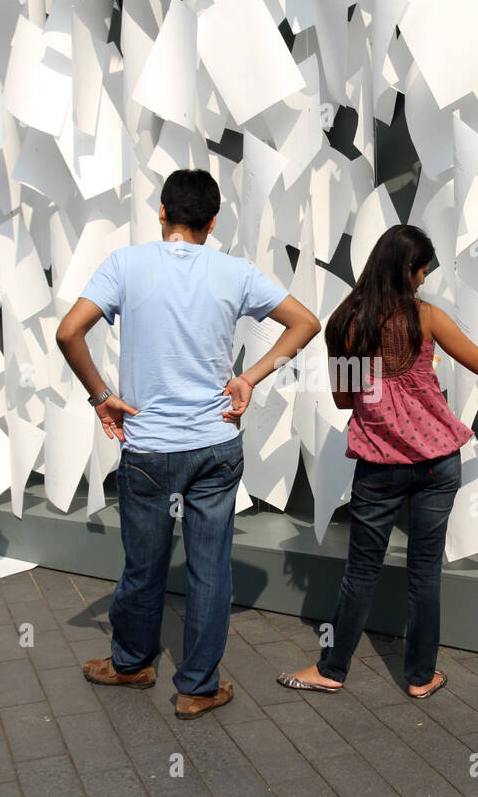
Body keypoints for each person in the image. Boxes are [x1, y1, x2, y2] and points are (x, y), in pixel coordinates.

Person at [56, 169, 321, 720]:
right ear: (213, 222)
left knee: (142, 566)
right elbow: (306, 323)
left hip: (147, 450)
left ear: (161, 213)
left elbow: (67, 332)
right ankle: (197, 686)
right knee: (209, 569)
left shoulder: (126, 265)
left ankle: (131, 664)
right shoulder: (235, 272)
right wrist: (251, 377)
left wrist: (101, 395)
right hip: (215, 446)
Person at [276, 224, 478, 699]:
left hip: (379, 466)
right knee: (424, 572)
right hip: (438, 461)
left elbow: (341, 398)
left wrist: (375, 383)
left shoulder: (345, 322)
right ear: (406, 270)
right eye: (421, 272)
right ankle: (419, 677)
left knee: (361, 572)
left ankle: (333, 670)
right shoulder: (426, 319)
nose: (422, 280)